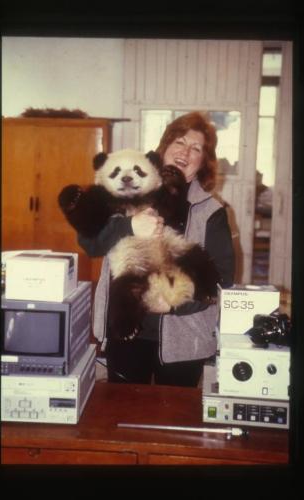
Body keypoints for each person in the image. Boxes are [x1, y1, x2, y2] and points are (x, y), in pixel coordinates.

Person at [78, 111, 235, 387]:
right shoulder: (126, 187)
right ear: (164, 148)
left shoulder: (213, 212)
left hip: (184, 340)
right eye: (179, 142)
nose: (185, 152)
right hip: (125, 330)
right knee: (122, 416)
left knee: (171, 423)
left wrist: (174, 305)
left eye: (196, 148)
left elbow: (222, 281)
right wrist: (129, 226)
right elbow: (90, 244)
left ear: (204, 162)